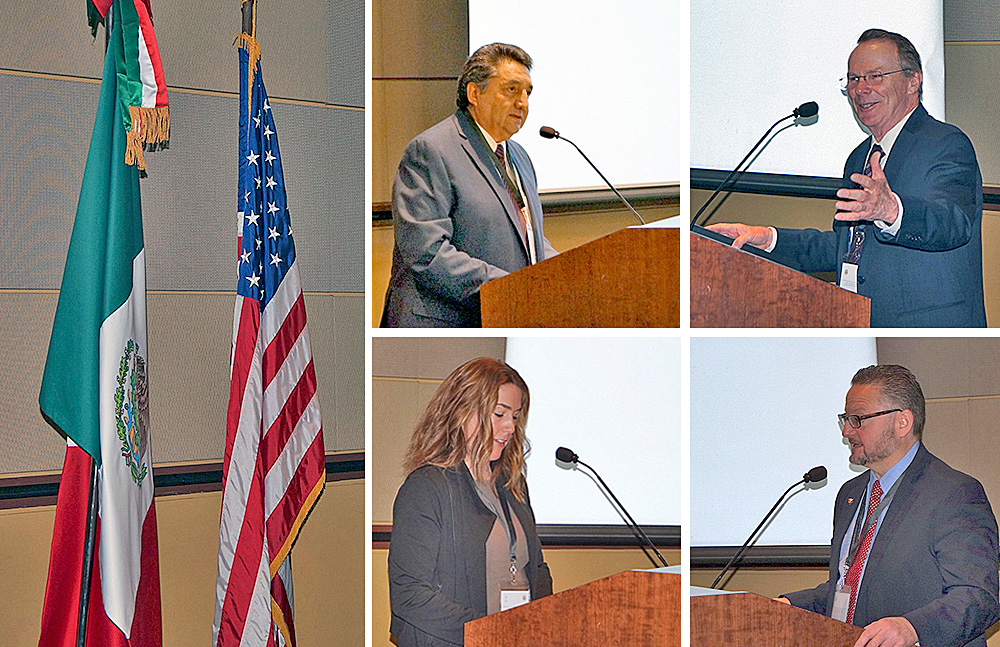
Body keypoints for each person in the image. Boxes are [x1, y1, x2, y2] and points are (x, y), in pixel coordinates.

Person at [708, 29, 985, 327]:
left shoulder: (946, 143)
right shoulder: (858, 157)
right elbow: (844, 248)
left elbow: (954, 224)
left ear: (913, 81)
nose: (861, 89)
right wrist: (770, 239)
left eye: (875, 76)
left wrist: (892, 210)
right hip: (855, 317)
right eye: (854, 79)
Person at [777, 365, 999, 647]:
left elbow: (979, 596)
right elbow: (849, 589)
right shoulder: (851, 495)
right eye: (845, 419)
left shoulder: (954, 493)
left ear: (902, 422)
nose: (847, 431)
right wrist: (788, 604)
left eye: (858, 419)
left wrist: (912, 628)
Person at [381, 43, 557, 328]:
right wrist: (511, 287)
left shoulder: (520, 157)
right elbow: (427, 253)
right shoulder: (431, 150)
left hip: (501, 314)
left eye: (527, 92)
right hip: (443, 323)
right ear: (475, 93)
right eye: (511, 89)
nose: (522, 102)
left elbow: (530, 239)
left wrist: (565, 273)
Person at [388, 357, 553, 646]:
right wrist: (490, 632)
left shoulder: (514, 484)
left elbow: (537, 569)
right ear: (463, 411)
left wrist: (542, 625)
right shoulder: (426, 488)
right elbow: (409, 595)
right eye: (499, 414)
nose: (511, 427)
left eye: (515, 416)